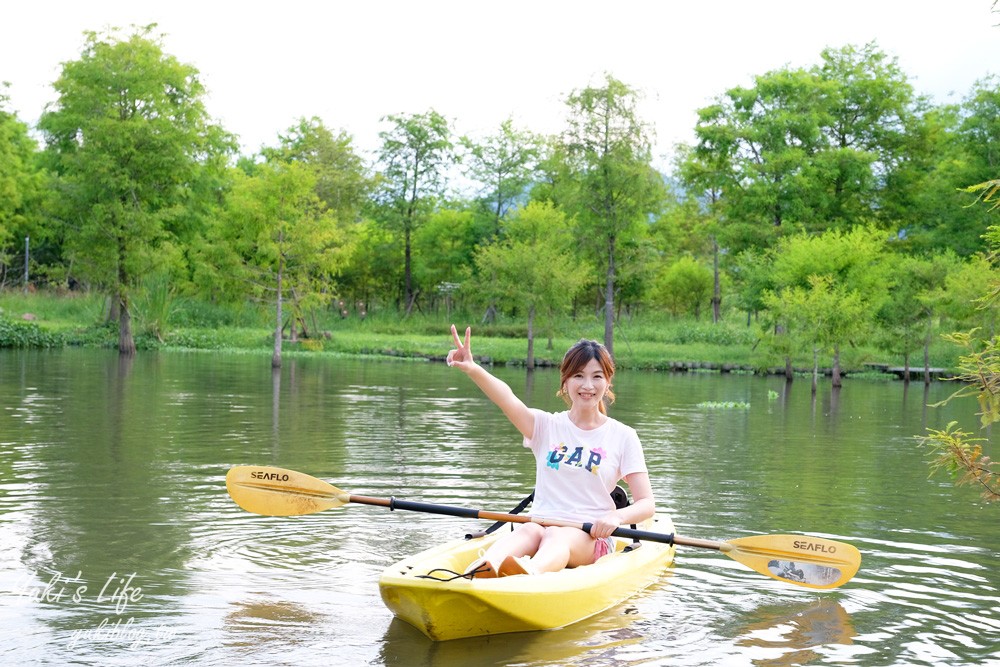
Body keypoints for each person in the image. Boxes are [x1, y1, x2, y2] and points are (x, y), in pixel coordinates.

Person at [445, 324, 655, 577]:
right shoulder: (545, 426)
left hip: (589, 537)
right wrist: (473, 369)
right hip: (541, 524)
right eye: (578, 375)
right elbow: (507, 398)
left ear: (607, 382)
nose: (587, 385)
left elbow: (646, 504)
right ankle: (477, 571)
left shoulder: (623, 436)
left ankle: (530, 572)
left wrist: (616, 518)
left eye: (597, 376)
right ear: (565, 381)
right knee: (529, 530)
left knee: (556, 534)